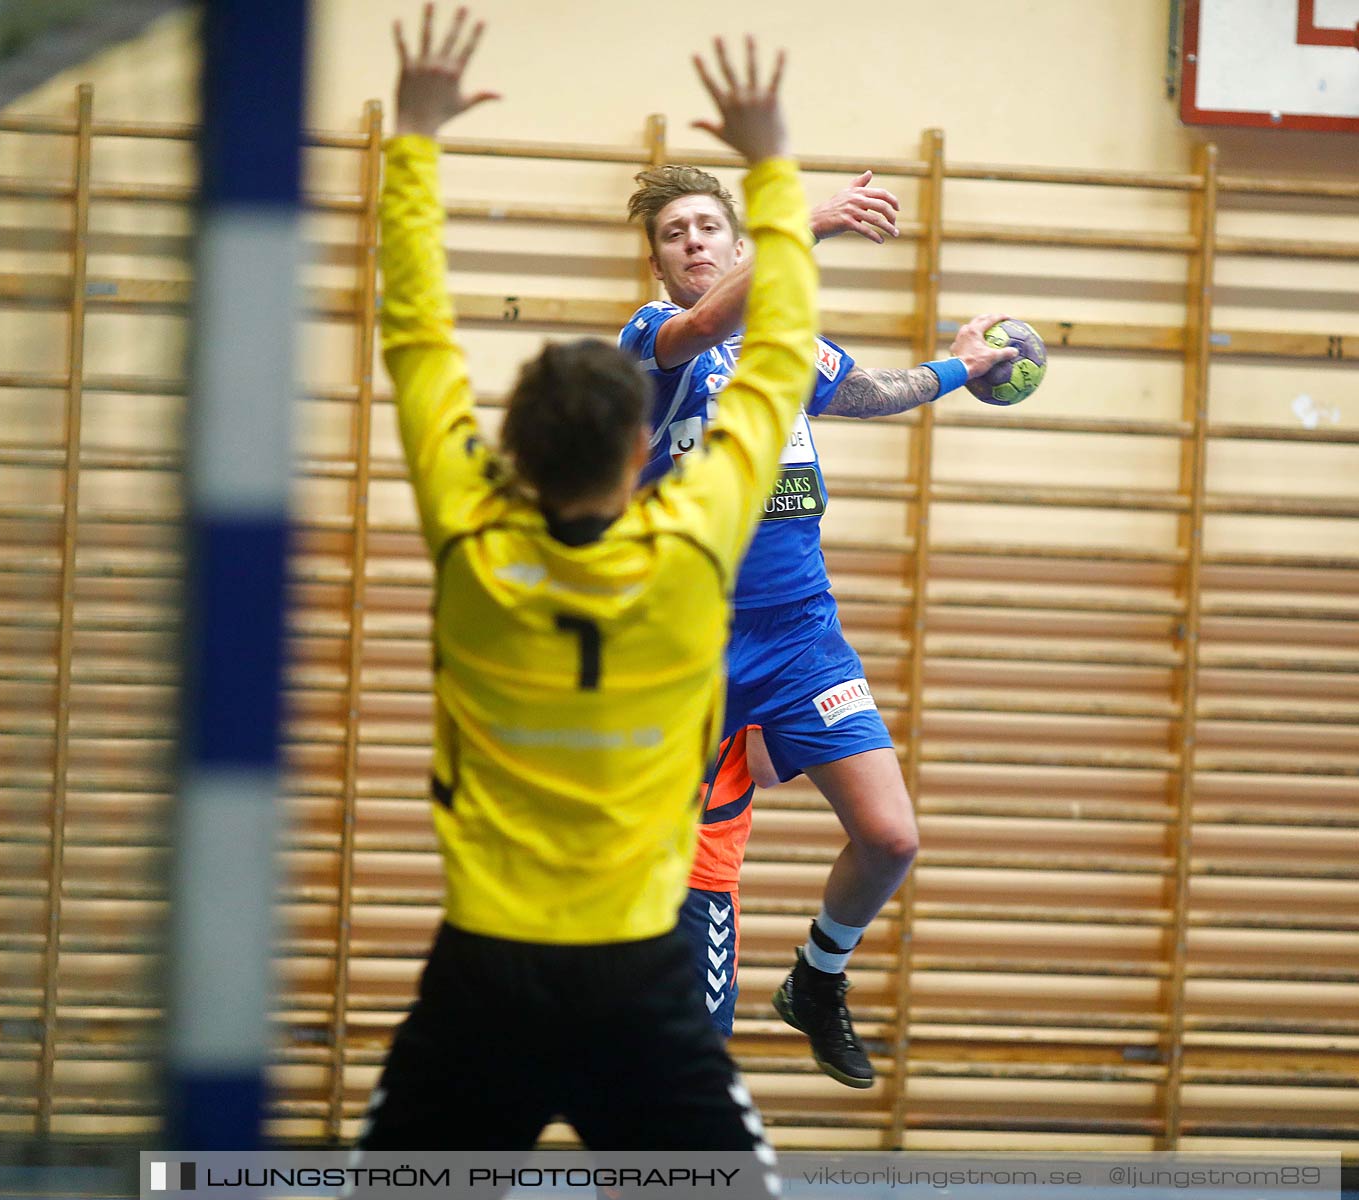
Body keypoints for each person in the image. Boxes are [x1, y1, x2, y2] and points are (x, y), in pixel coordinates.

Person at [360, 5, 814, 1168]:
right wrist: (774, 167)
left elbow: (413, 337)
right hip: (641, 986)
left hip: (480, 984)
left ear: (504, 450)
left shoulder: (472, 546)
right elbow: (776, 361)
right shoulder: (692, 548)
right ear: (637, 456)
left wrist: (412, 138)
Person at [622, 160, 1018, 1085]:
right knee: (675, 883)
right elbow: (712, 320)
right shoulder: (654, 341)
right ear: (658, 265)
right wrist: (809, 225)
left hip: (801, 634)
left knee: (890, 838)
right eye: (674, 234)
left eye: (706, 228)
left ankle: (817, 979)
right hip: (686, 644)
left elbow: (871, 391)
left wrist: (965, 364)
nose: (693, 243)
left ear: (732, 240)